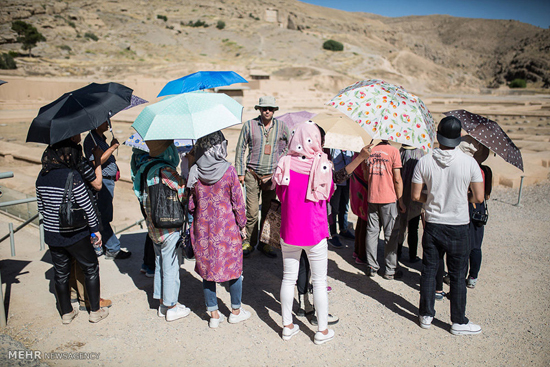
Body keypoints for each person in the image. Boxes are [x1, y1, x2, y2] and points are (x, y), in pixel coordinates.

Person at [412, 116, 484, 335]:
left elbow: (416, 195)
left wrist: (433, 197)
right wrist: (462, 199)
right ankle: (458, 321)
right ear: (458, 139)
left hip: (433, 223)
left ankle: (425, 314)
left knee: (429, 270)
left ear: (438, 135)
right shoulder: (469, 162)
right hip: (458, 224)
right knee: (457, 274)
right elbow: (479, 197)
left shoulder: (424, 161)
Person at [35, 135, 109, 324]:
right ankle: (95, 311)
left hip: (52, 234)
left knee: (60, 274)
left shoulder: (41, 176)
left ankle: (66, 313)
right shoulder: (72, 175)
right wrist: (95, 229)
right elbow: (87, 206)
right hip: (75, 233)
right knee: (91, 268)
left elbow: (41, 208)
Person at [274, 121, 335, 345]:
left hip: (289, 230)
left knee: (288, 278)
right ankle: (322, 330)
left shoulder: (284, 162)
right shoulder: (323, 164)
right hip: (314, 230)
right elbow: (328, 196)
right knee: (319, 281)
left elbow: (280, 193)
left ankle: (287, 326)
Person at [187, 131, 250, 328]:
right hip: (227, 230)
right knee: (234, 269)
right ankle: (236, 311)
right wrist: (242, 224)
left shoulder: (195, 171)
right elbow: (238, 203)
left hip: (203, 230)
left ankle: (213, 315)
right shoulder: (229, 170)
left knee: (208, 271)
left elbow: (190, 205)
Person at [132, 140, 191, 322]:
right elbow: (183, 193)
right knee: (171, 265)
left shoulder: (144, 168)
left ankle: (162, 303)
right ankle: (172, 306)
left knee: (159, 262)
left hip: (153, 224)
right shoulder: (166, 170)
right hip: (168, 226)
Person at [235, 96, 290, 258]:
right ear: (259, 109)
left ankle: (265, 244)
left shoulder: (281, 126)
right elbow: (240, 149)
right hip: (252, 174)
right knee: (252, 212)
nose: (267, 111)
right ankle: (249, 243)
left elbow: (288, 145)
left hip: (272, 176)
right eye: (264, 108)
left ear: (274, 111)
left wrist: (280, 163)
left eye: (270, 109)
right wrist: (240, 172)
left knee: (268, 211)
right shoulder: (249, 125)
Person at [84, 121, 131, 260]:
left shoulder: (100, 138)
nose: (108, 124)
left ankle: (104, 245)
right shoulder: (91, 140)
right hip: (102, 181)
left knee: (105, 214)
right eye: (105, 121)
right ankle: (112, 249)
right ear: (97, 123)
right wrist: (112, 148)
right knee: (103, 216)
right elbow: (95, 161)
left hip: (108, 180)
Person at [365, 140, 405, 279]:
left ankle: (371, 266)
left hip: (372, 197)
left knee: (372, 232)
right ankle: (390, 270)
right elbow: (397, 179)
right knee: (390, 235)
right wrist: (401, 201)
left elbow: (366, 176)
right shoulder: (394, 151)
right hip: (388, 198)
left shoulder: (370, 151)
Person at [459, 136, 492, 289]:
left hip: (468, 205)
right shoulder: (486, 170)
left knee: (465, 244)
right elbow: (487, 195)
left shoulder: (469, 168)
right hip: (480, 209)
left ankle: (460, 275)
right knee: (477, 244)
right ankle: (473, 276)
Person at [396, 145, 425, 263]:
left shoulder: (401, 152)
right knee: (413, 227)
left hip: (401, 194)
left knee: (400, 225)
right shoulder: (421, 154)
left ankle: (397, 253)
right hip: (416, 196)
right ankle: (412, 255)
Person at [327, 149, 355, 249]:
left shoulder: (350, 149)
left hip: (347, 182)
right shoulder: (332, 149)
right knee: (334, 209)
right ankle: (332, 233)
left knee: (344, 206)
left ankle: (343, 229)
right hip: (336, 182)